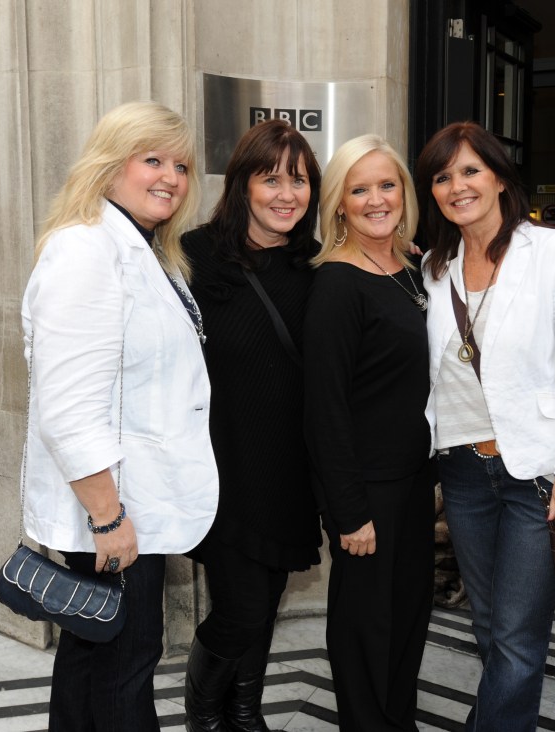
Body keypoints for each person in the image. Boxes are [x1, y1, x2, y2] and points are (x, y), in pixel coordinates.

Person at [21, 101, 218, 731]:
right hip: (111, 511)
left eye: (181, 164)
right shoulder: (86, 249)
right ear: (110, 168)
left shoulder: (146, 249)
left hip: (127, 505)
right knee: (125, 661)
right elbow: (68, 406)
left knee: (97, 653)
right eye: (152, 159)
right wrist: (109, 518)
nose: (170, 176)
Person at [414, 121, 555, 731]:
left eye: (471, 170)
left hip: (538, 477)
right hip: (465, 472)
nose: (457, 186)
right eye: (443, 177)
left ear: (499, 177)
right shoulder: (433, 267)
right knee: (489, 625)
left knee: (520, 638)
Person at [179, 119, 323, 732]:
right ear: (242, 184)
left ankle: (245, 713)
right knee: (238, 611)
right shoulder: (191, 256)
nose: (286, 194)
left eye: (299, 180)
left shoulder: (312, 272)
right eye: (271, 179)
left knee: (264, 607)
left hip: (286, 473)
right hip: (221, 472)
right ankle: (204, 713)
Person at [304, 134, 435, 731]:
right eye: (360, 189)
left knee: (408, 616)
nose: (376, 199)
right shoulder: (336, 282)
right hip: (367, 490)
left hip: (410, 482)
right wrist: (348, 511)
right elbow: (324, 407)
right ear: (338, 204)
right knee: (365, 627)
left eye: (387, 185)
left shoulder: (410, 268)